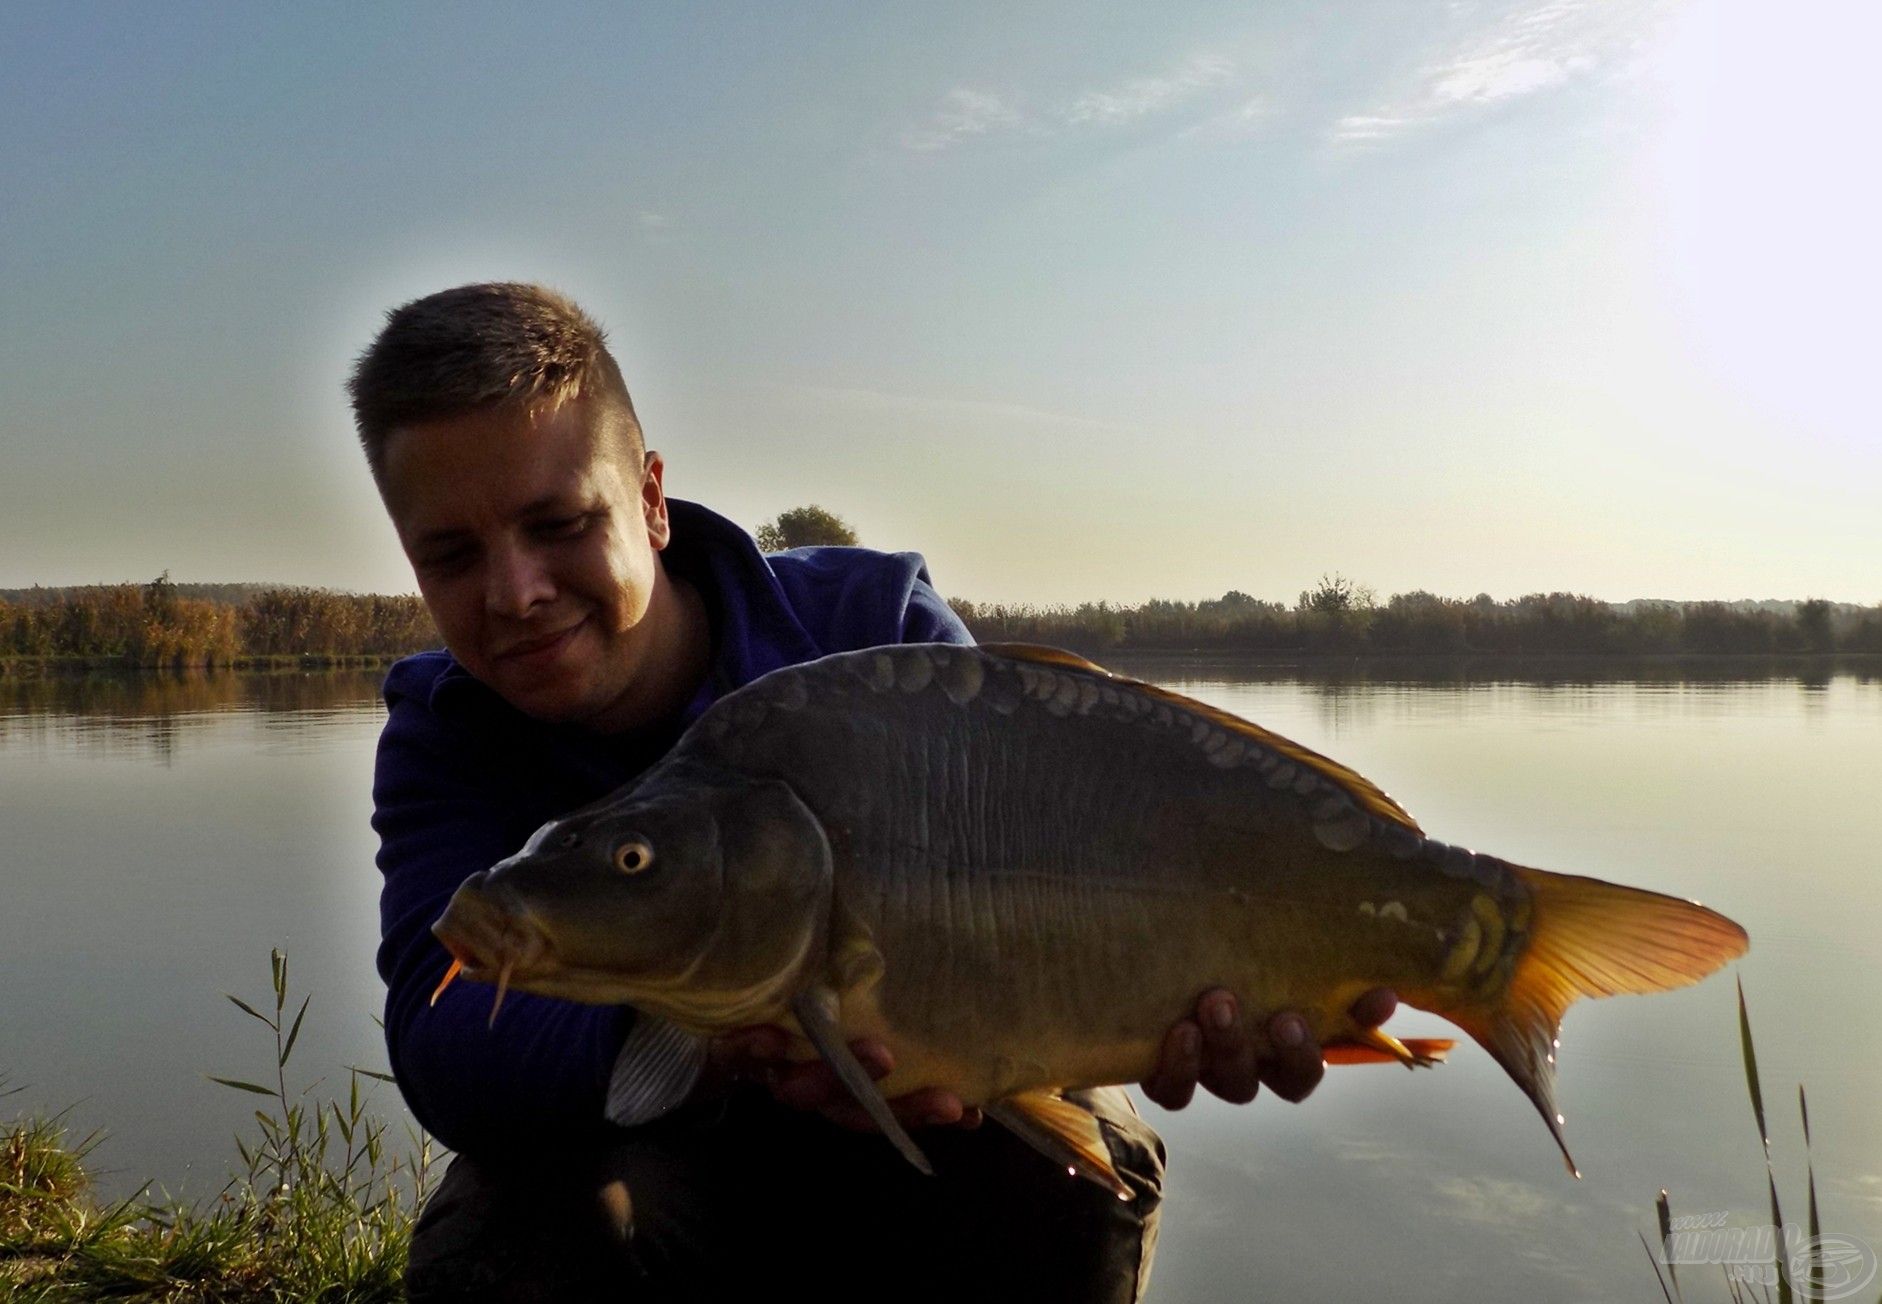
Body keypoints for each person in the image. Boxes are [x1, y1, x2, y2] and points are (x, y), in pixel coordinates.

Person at [349, 282, 1398, 1302]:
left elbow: (1060, 878)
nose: (515, 590)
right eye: (451, 553)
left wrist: (1195, 990)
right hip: (663, 1146)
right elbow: (442, 1046)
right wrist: (718, 1038)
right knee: (505, 1244)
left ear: (652, 499)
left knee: (1070, 1179)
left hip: (944, 1103)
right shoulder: (448, 730)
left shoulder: (873, 627)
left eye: (559, 522)